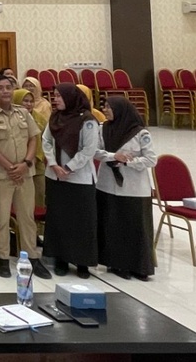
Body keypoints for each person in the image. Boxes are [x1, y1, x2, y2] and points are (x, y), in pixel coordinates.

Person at [0, 74, 50, 280]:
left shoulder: (22, 113)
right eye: (0, 88)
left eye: (8, 87)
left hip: (25, 172)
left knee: (27, 216)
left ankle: (33, 257)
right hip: (1, 174)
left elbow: (34, 138)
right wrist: (10, 167)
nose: (5, 91)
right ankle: (2, 258)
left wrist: (26, 163)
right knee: (0, 216)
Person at [42, 84, 101, 279]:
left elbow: (88, 149)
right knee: (59, 219)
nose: (55, 99)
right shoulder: (55, 118)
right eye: (54, 96)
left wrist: (68, 167)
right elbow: (46, 141)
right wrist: (53, 164)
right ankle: (61, 259)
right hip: (55, 176)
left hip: (79, 178)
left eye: (59, 96)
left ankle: (82, 262)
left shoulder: (88, 121)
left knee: (81, 221)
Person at [96, 97, 157, 281]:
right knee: (113, 225)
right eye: (104, 106)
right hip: (108, 185)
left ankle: (139, 266)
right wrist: (114, 156)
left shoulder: (140, 133)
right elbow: (96, 151)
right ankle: (117, 263)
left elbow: (151, 159)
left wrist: (129, 161)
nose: (105, 110)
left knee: (136, 227)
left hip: (134, 188)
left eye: (109, 107)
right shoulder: (102, 129)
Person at [21, 77, 52, 208]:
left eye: (30, 101)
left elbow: (45, 140)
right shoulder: (10, 117)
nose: (28, 104)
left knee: (38, 199)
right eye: (25, 101)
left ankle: (39, 229)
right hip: (16, 165)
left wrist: (35, 158)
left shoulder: (40, 118)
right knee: (21, 202)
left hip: (37, 164)